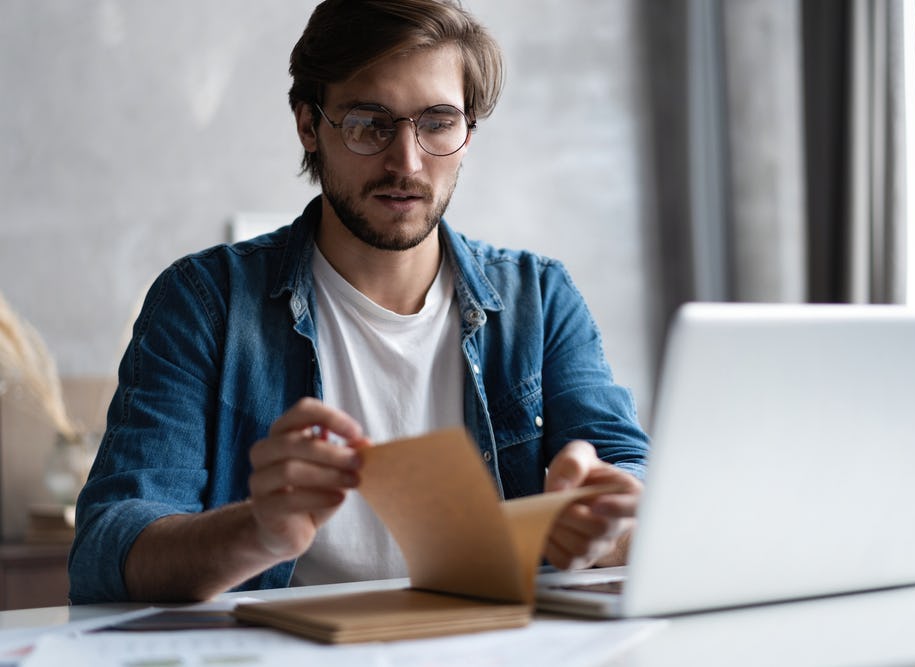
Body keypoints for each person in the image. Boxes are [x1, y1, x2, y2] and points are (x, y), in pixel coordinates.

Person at [69, 0, 648, 604]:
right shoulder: (205, 304)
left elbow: (636, 484)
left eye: (438, 122)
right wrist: (260, 531)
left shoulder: (540, 299)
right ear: (308, 125)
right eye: (369, 123)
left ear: (468, 132)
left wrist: (605, 532)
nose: (407, 161)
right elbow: (108, 549)